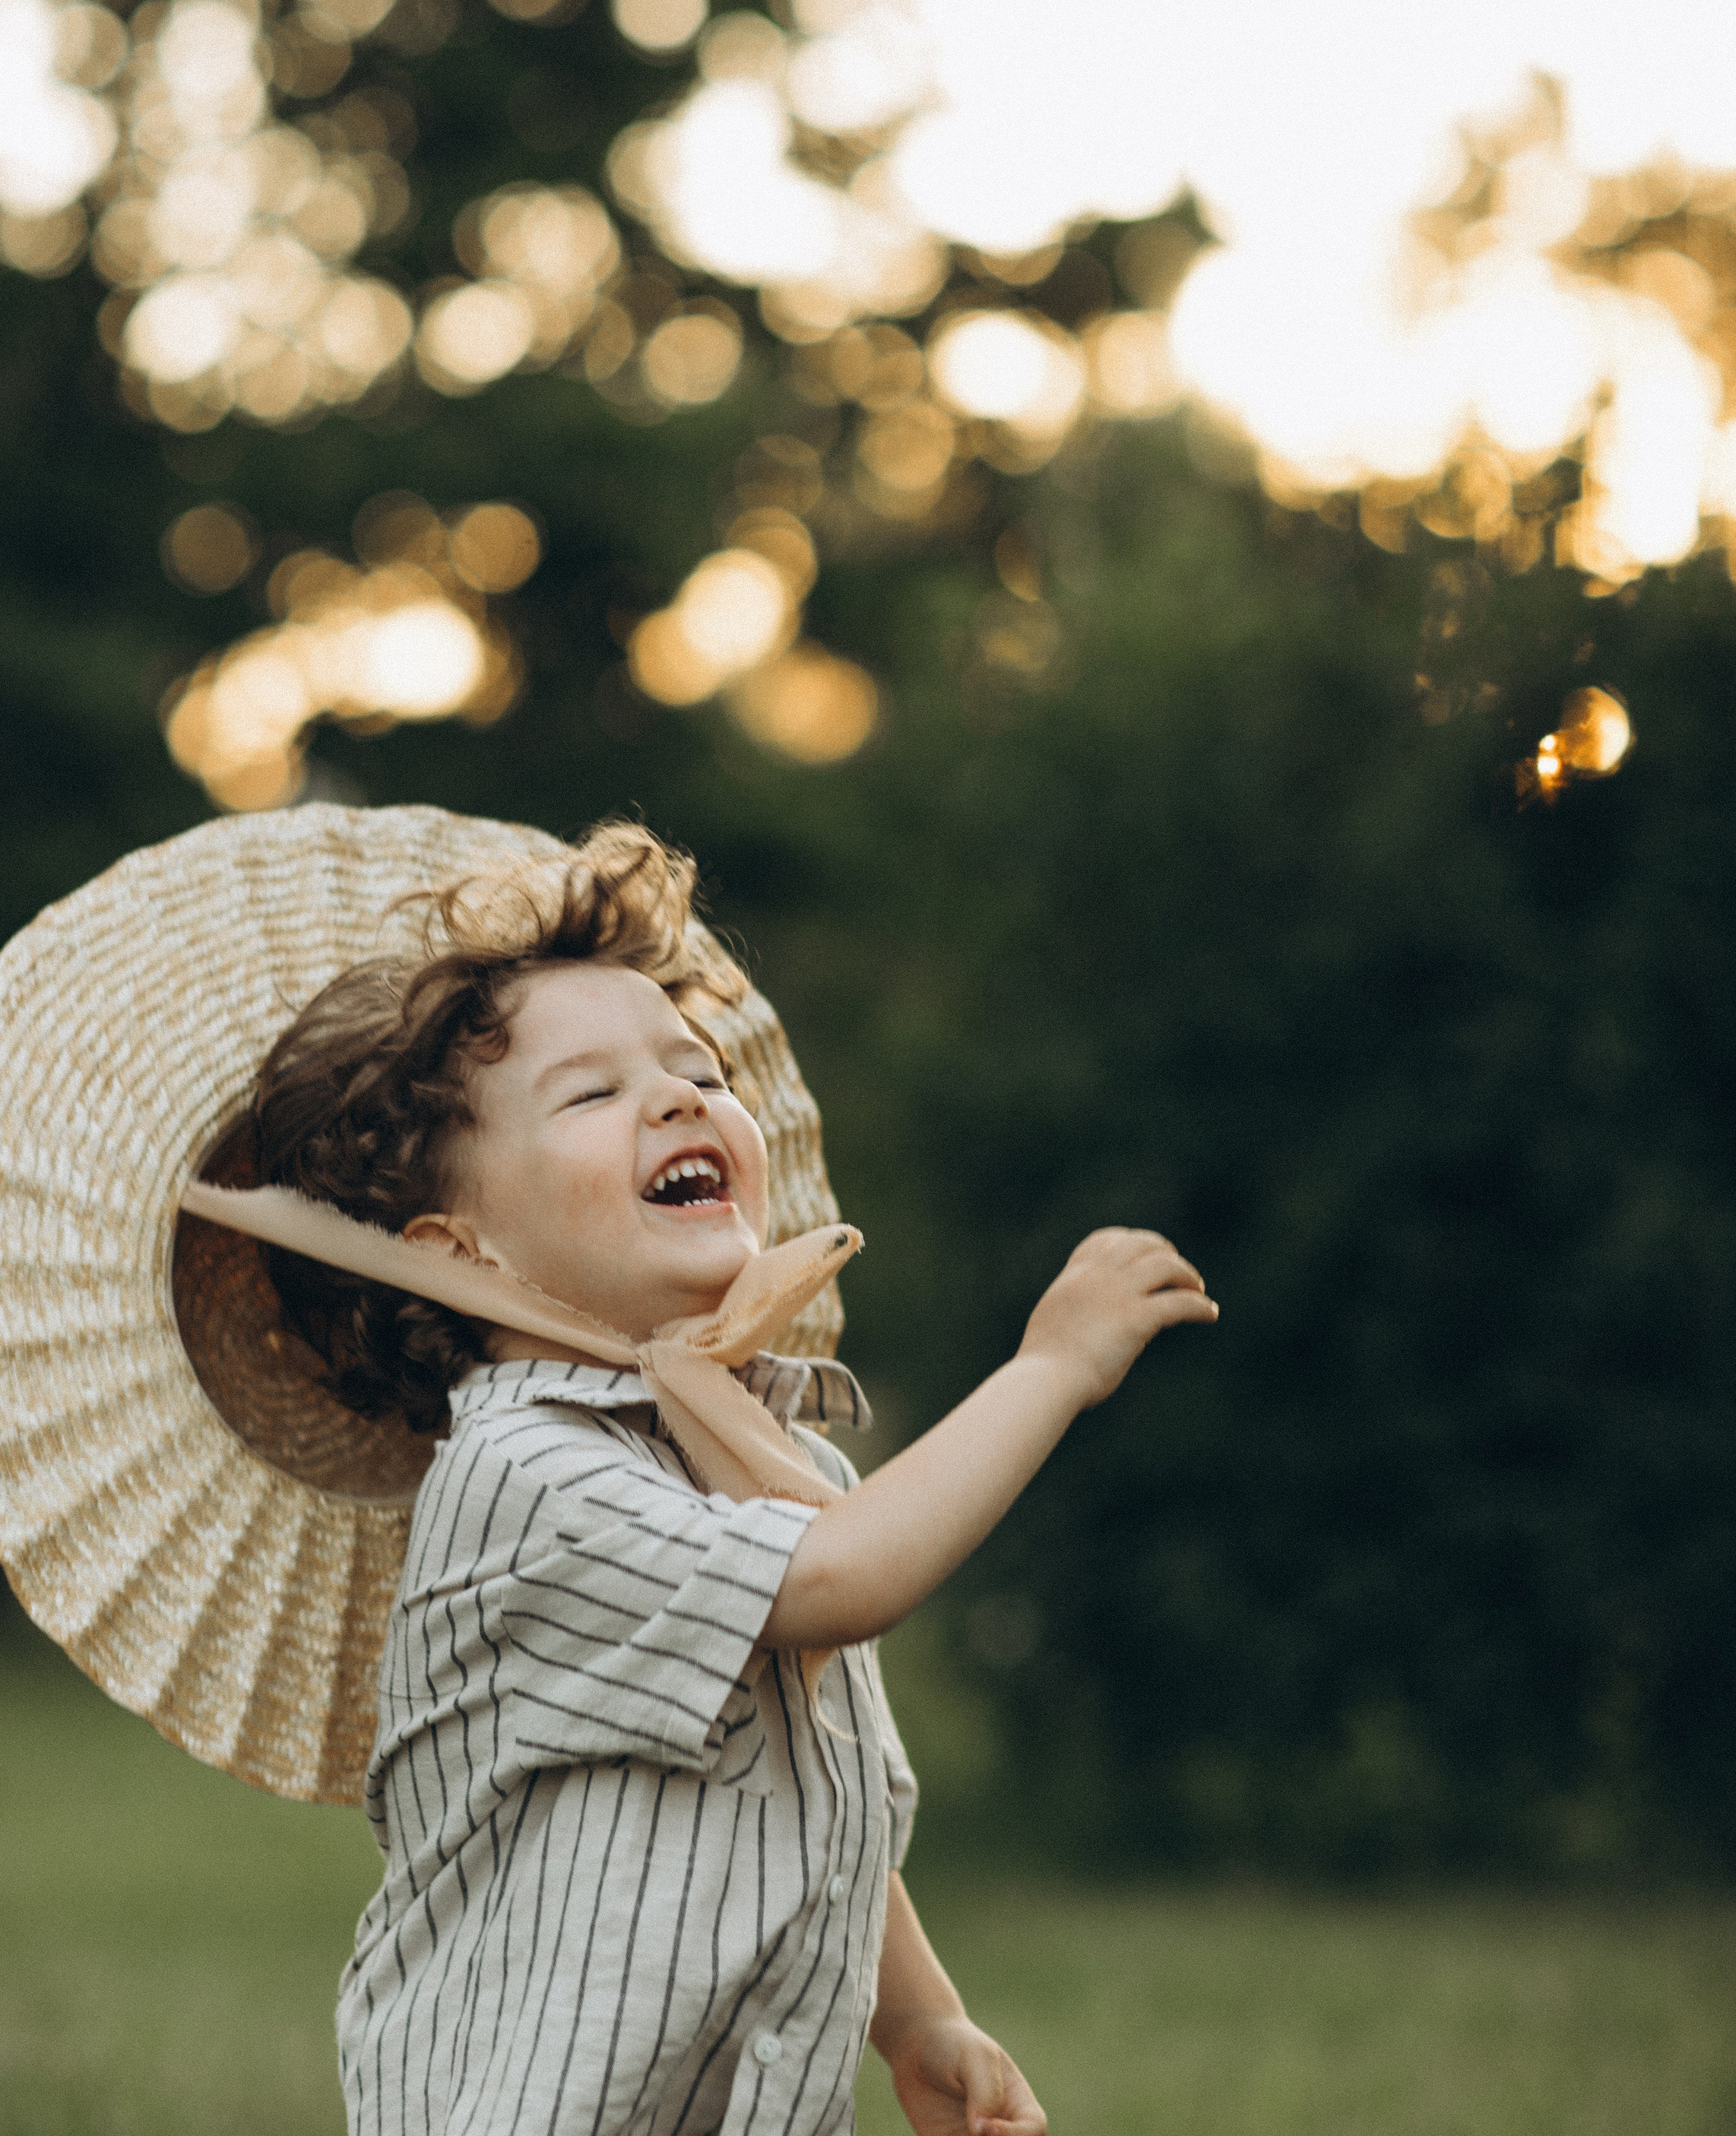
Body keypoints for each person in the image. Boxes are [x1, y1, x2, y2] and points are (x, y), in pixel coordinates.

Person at [239, 820, 1218, 2136]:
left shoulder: (761, 1453)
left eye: (698, 1070)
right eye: (591, 1095)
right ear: (459, 1250)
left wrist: (920, 2016)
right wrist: (1050, 1368)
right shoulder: (521, 1474)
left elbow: (810, 1788)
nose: (683, 1098)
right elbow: (850, 1577)